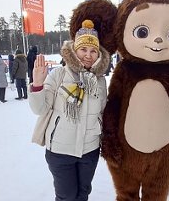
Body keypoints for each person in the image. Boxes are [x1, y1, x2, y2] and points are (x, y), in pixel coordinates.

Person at [29, 19, 110, 201]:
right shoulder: (59, 74)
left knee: (82, 194)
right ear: (75, 50)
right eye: (83, 49)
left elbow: (103, 112)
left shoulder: (100, 81)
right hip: (60, 150)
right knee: (66, 196)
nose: (88, 55)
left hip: (90, 149)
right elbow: (39, 108)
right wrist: (37, 84)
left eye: (93, 51)